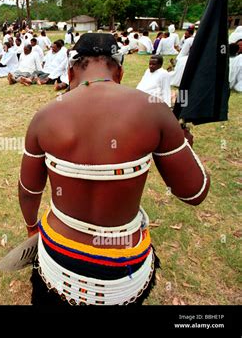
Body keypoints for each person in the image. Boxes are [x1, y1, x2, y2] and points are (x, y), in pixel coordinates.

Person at [19, 33, 210, 306]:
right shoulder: (154, 110)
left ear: (71, 70)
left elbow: (29, 191)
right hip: (124, 271)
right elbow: (195, 193)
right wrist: (185, 146)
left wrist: (30, 228)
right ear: (119, 71)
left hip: (57, 262)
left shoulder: (44, 116)